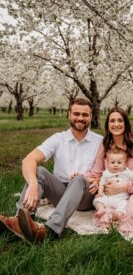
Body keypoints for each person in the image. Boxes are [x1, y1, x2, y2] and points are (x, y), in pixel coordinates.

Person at [0, 98, 102, 243]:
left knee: (78, 180)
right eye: (76, 114)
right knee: (39, 171)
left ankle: (51, 230)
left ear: (91, 116)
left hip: (85, 195)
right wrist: (34, 184)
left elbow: (113, 168)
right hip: (60, 191)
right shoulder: (59, 138)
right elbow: (28, 160)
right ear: (69, 114)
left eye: (85, 115)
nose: (80, 118)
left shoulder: (100, 141)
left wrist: (98, 180)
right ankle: (22, 220)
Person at [93, 147, 133, 222]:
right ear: (108, 163)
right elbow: (102, 183)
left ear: (124, 163)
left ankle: (118, 214)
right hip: (108, 197)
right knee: (97, 200)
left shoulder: (127, 173)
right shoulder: (106, 173)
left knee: (124, 205)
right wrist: (100, 193)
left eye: (119, 162)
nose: (115, 165)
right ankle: (101, 209)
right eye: (112, 162)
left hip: (121, 199)